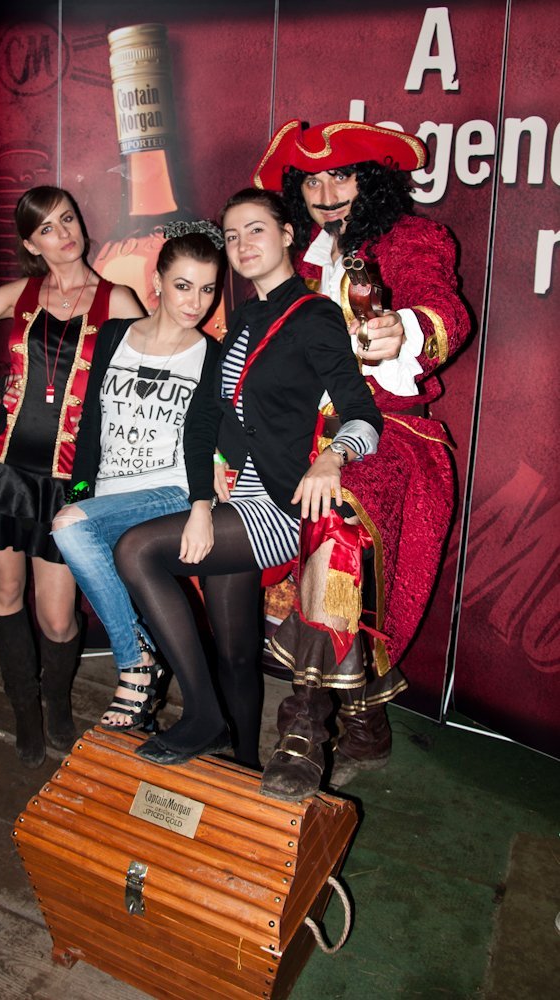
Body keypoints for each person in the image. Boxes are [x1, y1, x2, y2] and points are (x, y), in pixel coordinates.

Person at [113, 188, 383, 769]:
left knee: (137, 550)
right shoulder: (244, 318)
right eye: (232, 236)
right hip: (238, 496)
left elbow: (364, 413)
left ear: (286, 235)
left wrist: (333, 457)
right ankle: (239, 762)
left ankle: (203, 716)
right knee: (235, 650)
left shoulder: (314, 314)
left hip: (280, 506)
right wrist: (213, 468)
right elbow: (221, 411)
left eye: (256, 230)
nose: (242, 245)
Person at [250, 119, 471, 796]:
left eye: (340, 176)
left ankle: (303, 726)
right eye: (311, 181)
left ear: (369, 180)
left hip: (390, 432)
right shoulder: (295, 257)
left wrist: (403, 328)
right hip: (299, 434)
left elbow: (446, 310)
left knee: (335, 516)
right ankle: (365, 713)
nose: (325, 194)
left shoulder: (412, 240)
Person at [0, 186, 143, 767]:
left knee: (59, 617)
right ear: (32, 244)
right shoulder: (20, 293)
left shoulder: (118, 299)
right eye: (46, 228)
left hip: (70, 480)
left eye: (67, 219)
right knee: (5, 594)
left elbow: (161, 371)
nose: (62, 233)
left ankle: (57, 702)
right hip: (6, 471)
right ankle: (24, 711)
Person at [51, 222, 224, 730]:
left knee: (68, 526)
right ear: (158, 282)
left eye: (207, 289)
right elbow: (90, 422)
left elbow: (202, 437)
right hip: (109, 493)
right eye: (183, 286)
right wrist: (80, 490)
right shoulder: (114, 335)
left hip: (168, 491)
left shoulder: (210, 353)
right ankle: (147, 678)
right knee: (76, 526)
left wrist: (201, 503)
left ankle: (135, 663)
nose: (195, 302)